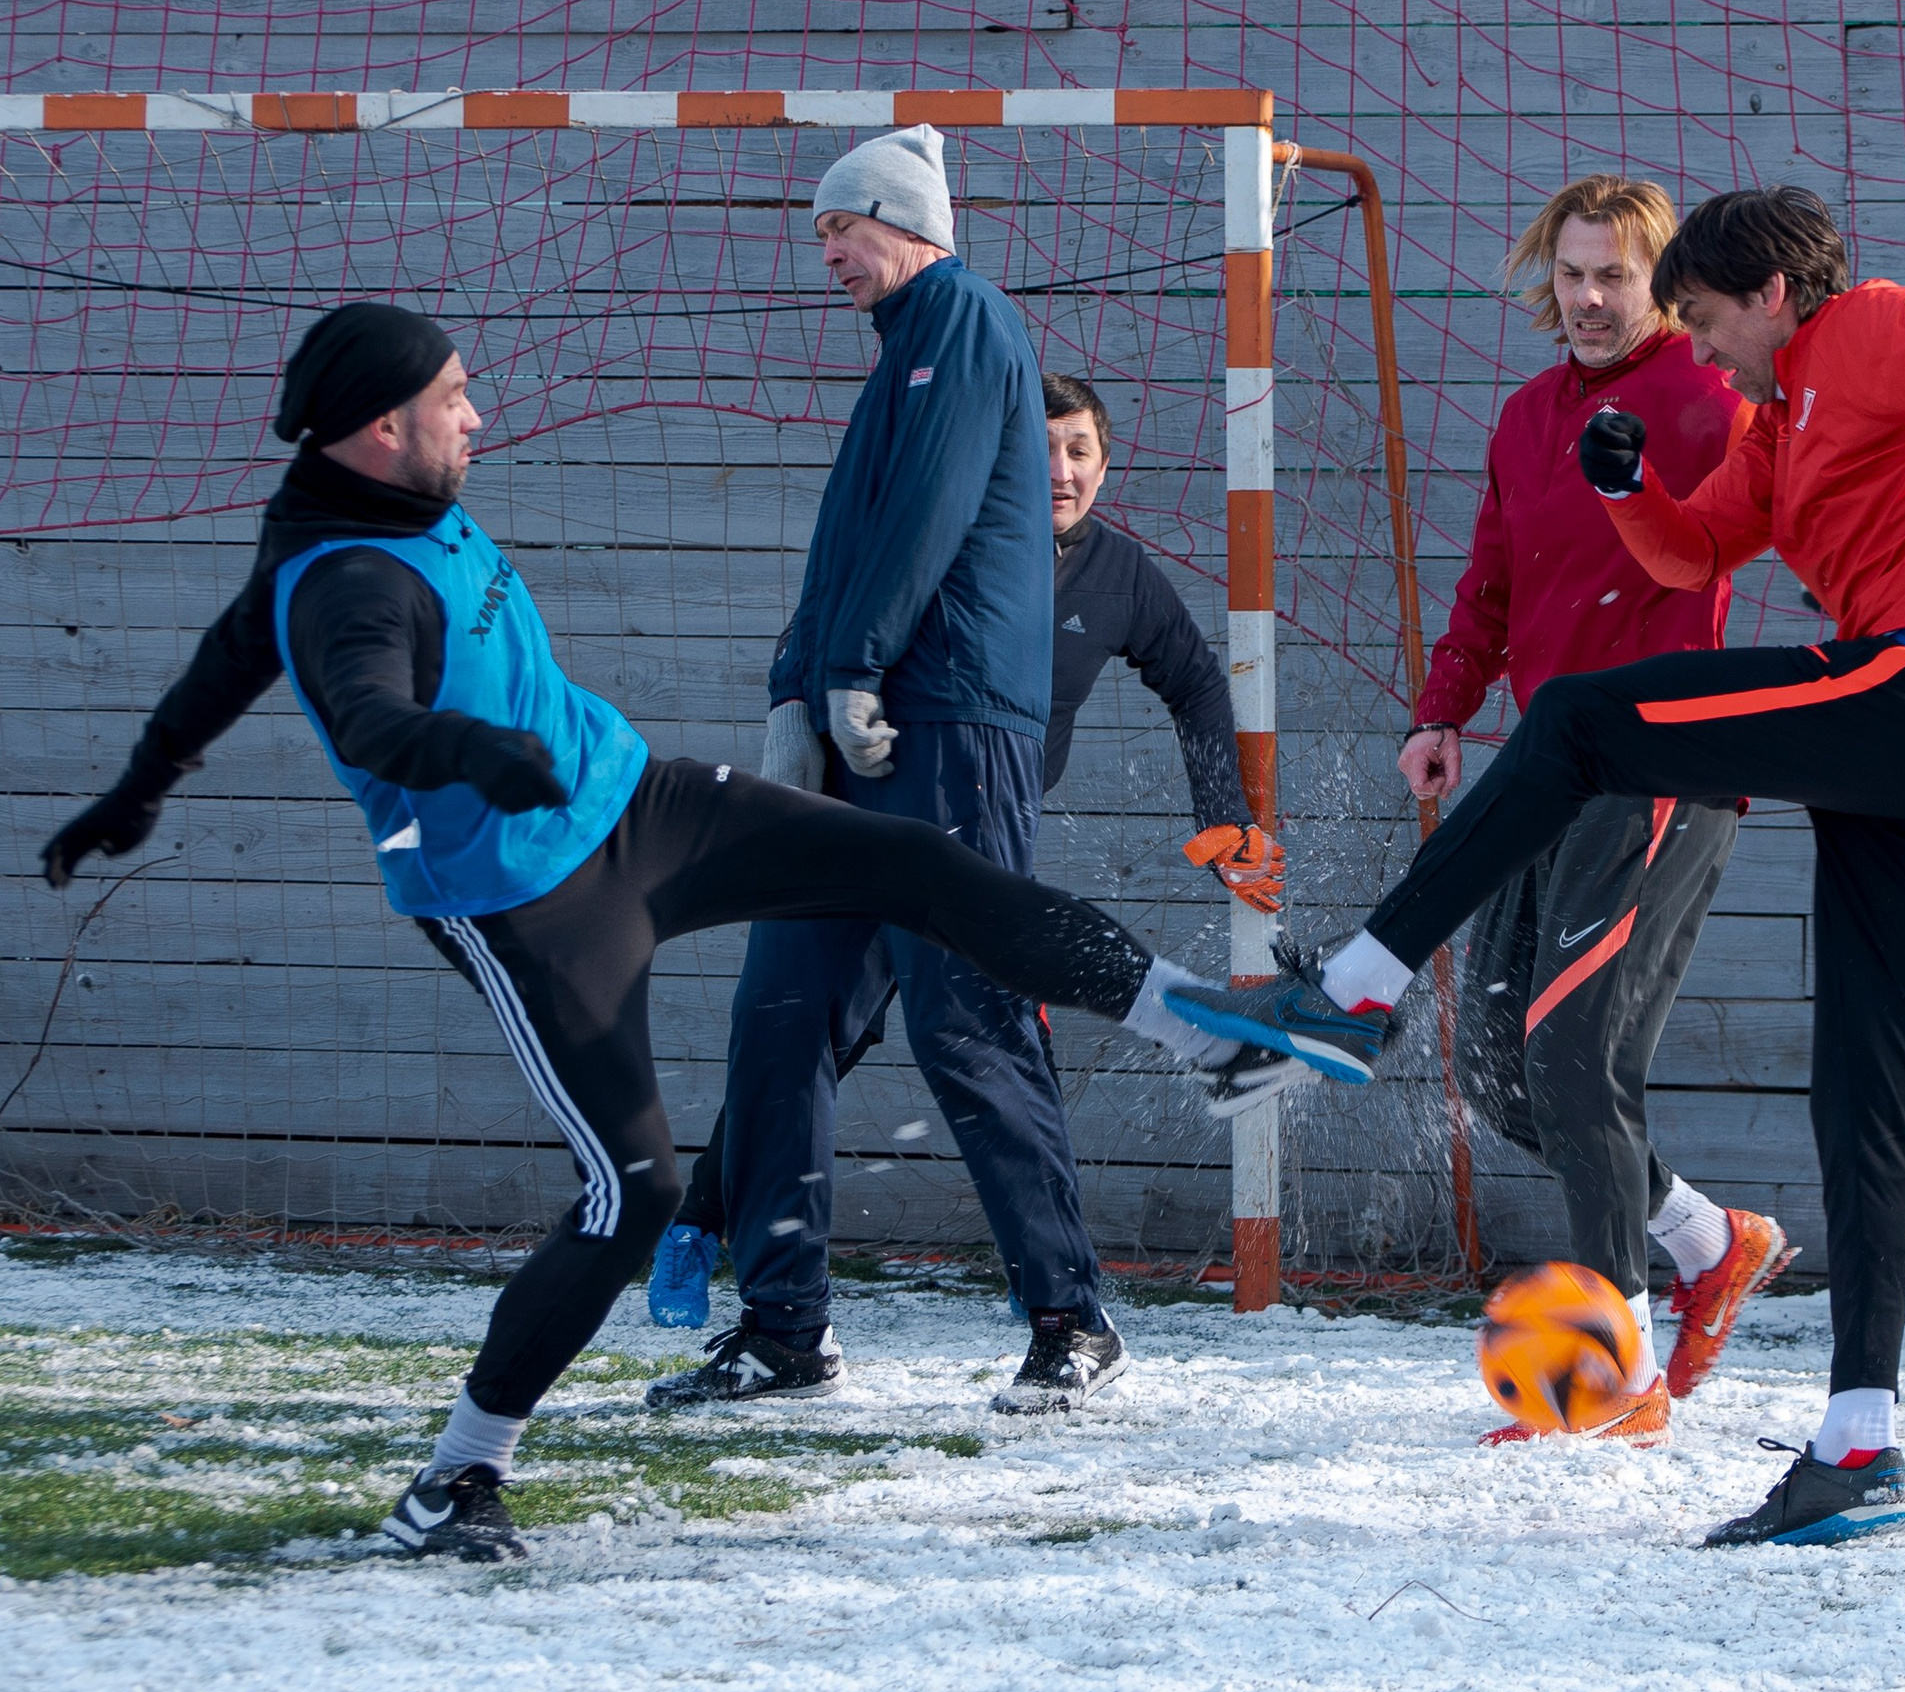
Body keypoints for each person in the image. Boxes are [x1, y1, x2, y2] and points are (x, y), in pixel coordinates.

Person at [37, 301, 1280, 1562]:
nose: (477, 415)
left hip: (642, 804)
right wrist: (479, 752)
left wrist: (135, 789)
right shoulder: (355, 579)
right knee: (630, 1193)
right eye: (454, 397)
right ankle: (457, 1480)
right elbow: (364, 715)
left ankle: (1203, 1027)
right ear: (378, 428)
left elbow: (224, 651)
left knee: (913, 861)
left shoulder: (367, 504)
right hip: (532, 907)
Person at [1165, 187, 1905, 1547]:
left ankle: (1355, 986)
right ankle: (1859, 1443)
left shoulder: (1859, 330)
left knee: (1583, 721)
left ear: (1768, 293)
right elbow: (1696, 543)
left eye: (1704, 319)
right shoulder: (1779, 431)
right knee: (1864, 1094)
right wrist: (1625, 486)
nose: (1703, 353)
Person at [644, 132, 1198, 1419]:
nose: (825, 252)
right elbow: (845, 540)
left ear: (901, 218)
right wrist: (800, 686)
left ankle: (1072, 1319)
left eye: (839, 226)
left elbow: (930, 512)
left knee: (967, 1012)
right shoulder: (899, 353)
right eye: (821, 232)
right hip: (862, 723)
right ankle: (784, 1332)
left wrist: (860, 664)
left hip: (945, 723)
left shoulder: (964, 314)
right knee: (779, 1016)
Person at [647, 368, 1283, 1326]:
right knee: (797, 1036)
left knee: (976, 1041)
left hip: (975, 845)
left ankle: (1068, 1315)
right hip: (851, 826)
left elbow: (1194, 684)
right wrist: (793, 701)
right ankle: (716, 1236)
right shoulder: (952, 544)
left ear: (1107, 467)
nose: (1061, 470)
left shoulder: (1121, 578)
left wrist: (1223, 821)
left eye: (1081, 451)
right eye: (1043, 447)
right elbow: (828, 602)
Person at [1403, 175, 1789, 1446]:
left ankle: (1616, 1375)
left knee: (1577, 1059)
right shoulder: (1524, 418)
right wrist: (1442, 709)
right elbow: (1492, 583)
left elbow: (1771, 513)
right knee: (1499, 1072)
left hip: (1659, 775)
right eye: (1567, 274)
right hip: (1541, 774)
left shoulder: (1708, 399)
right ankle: (1705, 1240)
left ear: (1659, 282)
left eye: (1610, 276)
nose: (1583, 298)